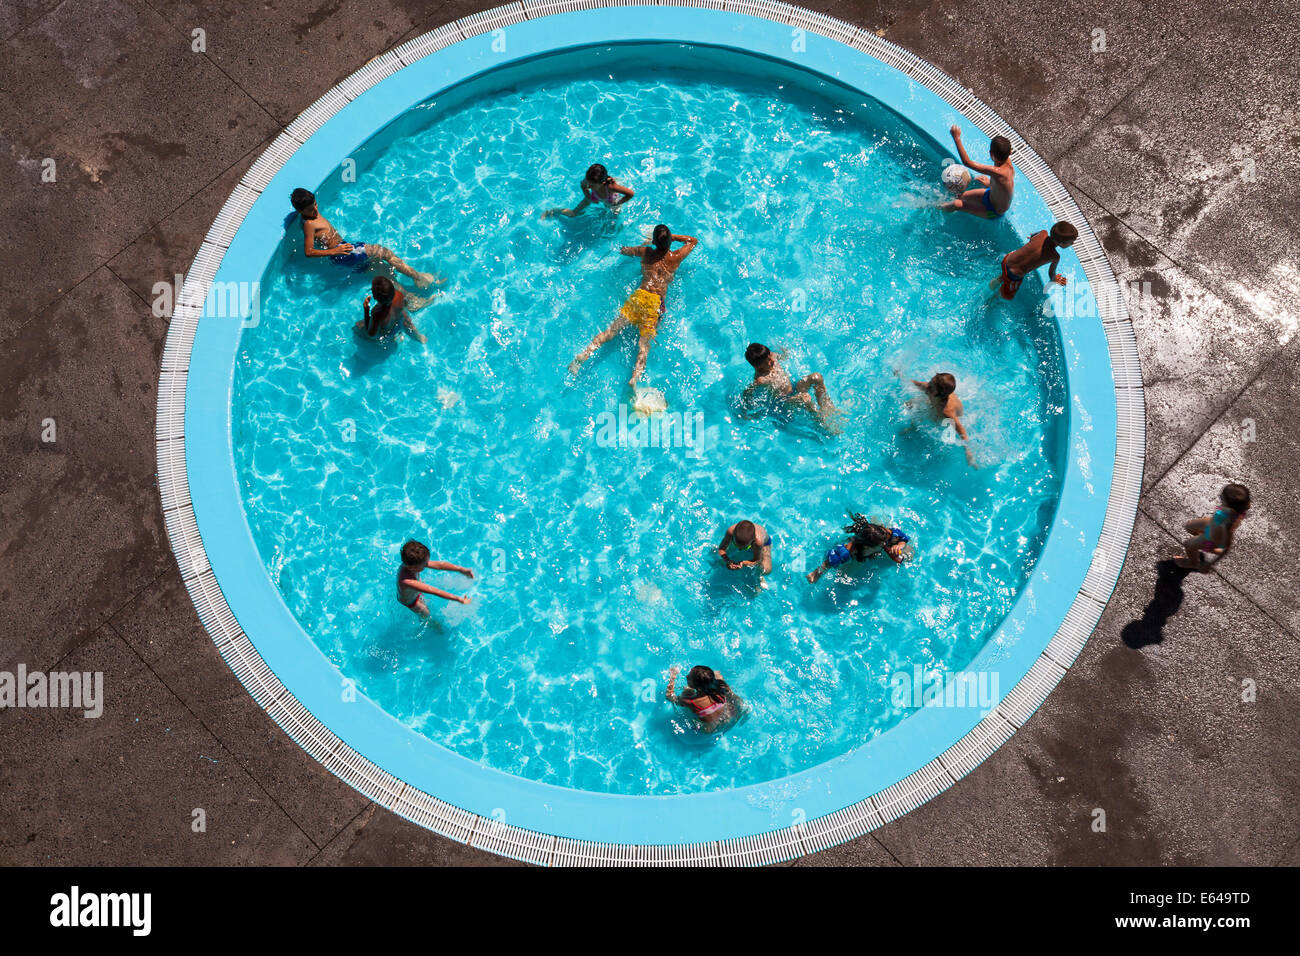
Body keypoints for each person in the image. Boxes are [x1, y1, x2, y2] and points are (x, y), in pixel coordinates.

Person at [568, 224, 699, 386]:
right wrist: (672, 238)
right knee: (645, 343)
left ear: (653, 241)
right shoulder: (676, 256)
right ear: (669, 242)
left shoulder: (646, 252)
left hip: (640, 296)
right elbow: (693, 241)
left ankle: (584, 354)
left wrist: (639, 245)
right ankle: (634, 378)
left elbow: (626, 250)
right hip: (655, 303)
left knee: (611, 330)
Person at [290, 188, 439, 287]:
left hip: (344, 250)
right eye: (311, 209)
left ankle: (411, 300)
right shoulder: (309, 223)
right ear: (300, 210)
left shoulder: (310, 215)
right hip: (343, 252)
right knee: (383, 252)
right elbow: (308, 252)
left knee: (382, 270)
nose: (315, 209)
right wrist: (335, 251)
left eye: (315, 204)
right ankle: (417, 277)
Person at [742, 342, 840, 430]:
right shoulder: (761, 379)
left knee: (816, 377)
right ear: (758, 366)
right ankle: (822, 424)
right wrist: (746, 411)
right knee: (804, 398)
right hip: (784, 402)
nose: (772, 360)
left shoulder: (772, 357)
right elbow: (747, 392)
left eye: (770, 355)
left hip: (793, 387)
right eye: (767, 361)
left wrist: (785, 351)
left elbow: (785, 356)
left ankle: (827, 408)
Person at [807, 512, 911, 583]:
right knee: (846, 575)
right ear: (867, 547)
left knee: (909, 554)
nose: (885, 545)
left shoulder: (884, 534)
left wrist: (898, 545)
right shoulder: (846, 552)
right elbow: (826, 564)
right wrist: (814, 576)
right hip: (858, 554)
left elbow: (902, 537)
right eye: (881, 545)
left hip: (871, 538)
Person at [940, 127, 1014, 219]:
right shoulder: (1006, 160)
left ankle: (936, 208)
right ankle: (945, 206)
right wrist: (990, 184)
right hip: (990, 194)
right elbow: (1004, 185)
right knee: (960, 196)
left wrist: (956, 137)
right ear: (1010, 152)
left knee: (957, 204)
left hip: (994, 212)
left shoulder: (999, 172)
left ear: (991, 154)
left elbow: (967, 162)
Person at [992, 222, 1078, 300]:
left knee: (1003, 275)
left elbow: (1032, 236)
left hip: (1007, 260)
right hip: (1014, 275)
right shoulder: (1055, 256)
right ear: (1061, 243)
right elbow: (1051, 274)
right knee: (1006, 294)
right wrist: (1055, 279)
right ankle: (991, 300)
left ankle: (993, 283)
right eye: (1071, 242)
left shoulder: (1043, 233)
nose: (1072, 244)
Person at [1174, 483, 1250, 571]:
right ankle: (1208, 547)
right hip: (1213, 524)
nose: (1220, 496)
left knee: (1189, 544)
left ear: (1230, 507)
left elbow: (1227, 547)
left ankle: (1193, 563)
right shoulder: (1236, 509)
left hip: (1212, 537)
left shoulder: (1227, 525)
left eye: (1223, 497)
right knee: (1189, 526)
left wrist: (1210, 564)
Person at [910, 372, 975, 465]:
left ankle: (913, 428)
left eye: (931, 387)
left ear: (941, 394)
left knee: (930, 416)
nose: (927, 386)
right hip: (935, 403)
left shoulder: (947, 411)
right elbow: (914, 383)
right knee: (911, 404)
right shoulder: (931, 388)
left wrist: (967, 450)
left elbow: (961, 430)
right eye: (930, 382)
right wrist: (900, 375)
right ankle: (912, 427)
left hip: (943, 416)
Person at [395, 540, 474, 616]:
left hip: (415, 590)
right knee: (426, 614)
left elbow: (440, 565)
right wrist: (459, 599)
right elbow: (435, 591)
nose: (427, 564)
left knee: (423, 592)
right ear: (413, 568)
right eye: (425, 564)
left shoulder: (413, 563)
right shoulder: (407, 581)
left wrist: (461, 569)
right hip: (411, 601)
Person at [542, 162, 634, 218]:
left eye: (592, 185)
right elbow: (585, 189)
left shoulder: (611, 187)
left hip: (610, 200)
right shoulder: (588, 180)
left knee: (614, 217)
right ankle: (552, 211)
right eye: (588, 183)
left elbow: (630, 193)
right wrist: (589, 196)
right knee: (573, 213)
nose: (589, 186)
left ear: (601, 183)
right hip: (594, 196)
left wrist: (618, 203)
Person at [354, 276, 427, 343]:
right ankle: (418, 337)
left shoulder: (377, 314)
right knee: (403, 315)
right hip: (400, 322)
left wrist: (366, 310)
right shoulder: (399, 295)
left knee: (357, 327)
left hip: (388, 333)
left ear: (374, 296)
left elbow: (371, 334)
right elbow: (405, 304)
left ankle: (393, 338)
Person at [665, 665, 738, 730]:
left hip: (709, 730)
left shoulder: (691, 702)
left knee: (687, 691)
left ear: (698, 688)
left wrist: (673, 676)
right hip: (730, 716)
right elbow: (716, 673)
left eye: (689, 677)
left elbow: (670, 697)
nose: (686, 676)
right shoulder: (720, 686)